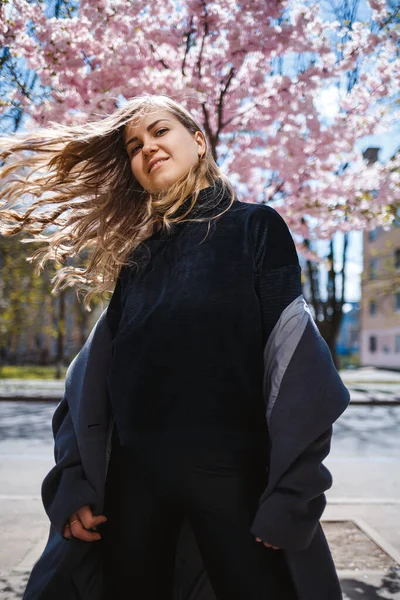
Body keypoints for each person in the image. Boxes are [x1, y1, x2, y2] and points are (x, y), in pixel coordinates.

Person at [0, 94, 350, 600]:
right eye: (134, 146)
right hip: (133, 487)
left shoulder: (256, 226)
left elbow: (298, 368)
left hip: (235, 482)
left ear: (199, 141)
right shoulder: (137, 255)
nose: (148, 149)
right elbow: (92, 382)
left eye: (160, 132)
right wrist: (75, 481)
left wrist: (293, 495)